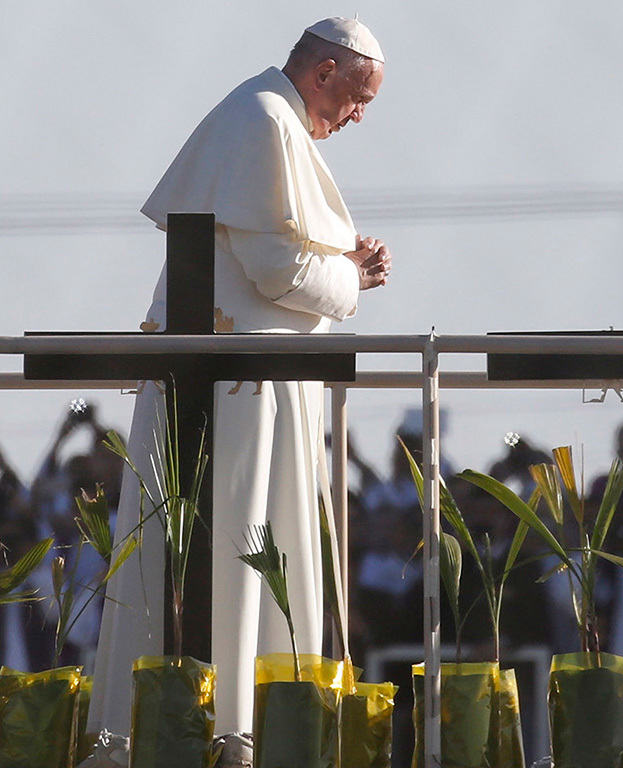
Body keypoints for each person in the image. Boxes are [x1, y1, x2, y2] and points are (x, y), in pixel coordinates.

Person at [90, 18, 392, 736]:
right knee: (235, 549)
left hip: (252, 383)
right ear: (324, 72)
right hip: (234, 388)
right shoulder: (260, 120)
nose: (358, 117)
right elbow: (277, 270)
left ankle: (229, 725)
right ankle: (223, 727)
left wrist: (344, 266)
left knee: (253, 551)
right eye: (358, 97)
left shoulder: (269, 118)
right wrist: (353, 279)